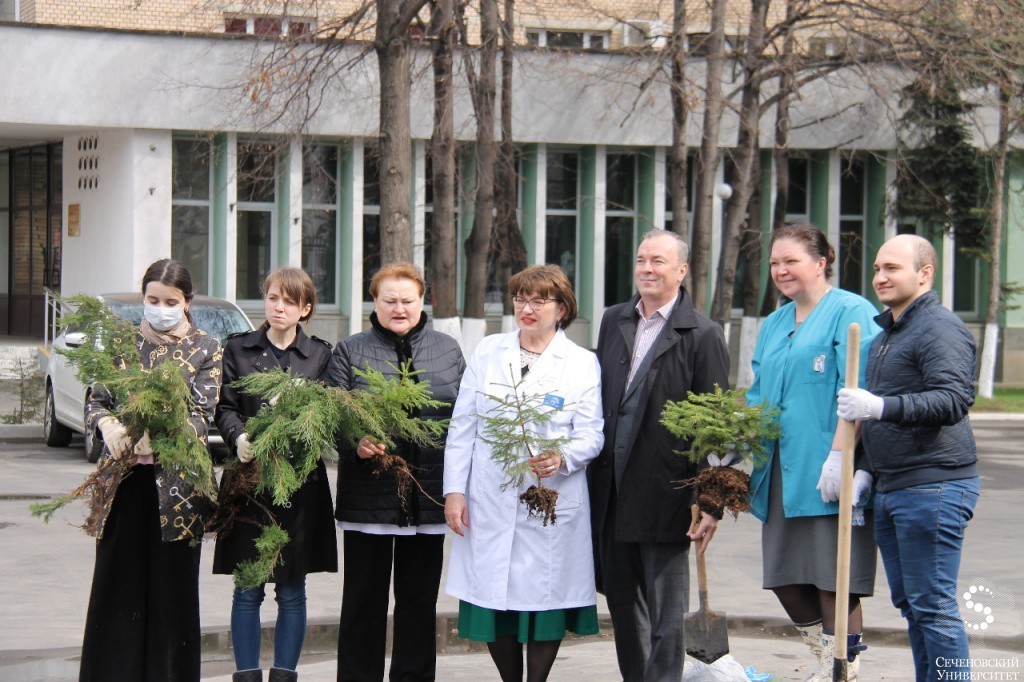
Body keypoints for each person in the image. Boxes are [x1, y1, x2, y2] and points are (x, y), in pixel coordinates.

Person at [444, 265, 604, 682]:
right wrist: (454, 492)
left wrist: (563, 456)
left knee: (545, 599)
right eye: (520, 299)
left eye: (539, 300)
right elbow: (464, 425)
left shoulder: (582, 363)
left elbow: (592, 434)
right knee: (492, 597)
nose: (527, 308)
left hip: (548, 498)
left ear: (562, 307)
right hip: (490, 497)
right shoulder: (488, 351)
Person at [838, 234, 980, 682]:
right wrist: (864, 468)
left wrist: (880, 407)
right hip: (894, 485)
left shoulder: (938, 327)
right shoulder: (888, 333)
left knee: (932, 606)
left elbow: (953, 399)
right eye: (877, 268)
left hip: (933, 485)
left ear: (924, 273)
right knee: (914, 606)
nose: (880, 277)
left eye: (892, 269)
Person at [590, 230, 730, 682]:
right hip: (611, 489)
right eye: (641, 259)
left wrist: (711, 503)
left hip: (668, 491)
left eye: (659, 262)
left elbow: (714, 429)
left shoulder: (702, 334)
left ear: (682, 270)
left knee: (667, 613)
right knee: (622, 604)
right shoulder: (615, 319)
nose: (647, 269)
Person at [746, 223, 881, 680]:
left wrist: (840, 456)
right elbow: (758, 391)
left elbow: (859, 390)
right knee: (784, 576)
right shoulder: (775, 321)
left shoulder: (851, 311)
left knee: (834, 580)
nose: (781, 271)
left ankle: (844, 670)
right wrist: (732, 443)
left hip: (829, 467)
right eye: (774, 263)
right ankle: (827, 659)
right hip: (780, 468)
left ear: (821, 263)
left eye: (791, 261)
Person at [79, 258, 222, 682]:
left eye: (170, 301)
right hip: (124, 486)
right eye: (152, 299)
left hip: (177, 492)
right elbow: (97, 397)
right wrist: (108, 425)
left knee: (171, 591)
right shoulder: (122, 342)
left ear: (186, 301)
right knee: (116, 585)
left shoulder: (206, 346)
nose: (160, 307)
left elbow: (202, 411)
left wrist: (162, 438)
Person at [326, 262, 465, 682]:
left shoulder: (447, 350)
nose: (399, 308)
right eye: (390, 300)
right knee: (363, 604)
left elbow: (463, 418)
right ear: (375, 301)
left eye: (408, 300)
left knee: (419, 605)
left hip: (427, 498)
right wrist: (357, 443)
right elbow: (335, 415)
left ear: (423, 301)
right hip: (369, 501)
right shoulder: (350, 350)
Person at [212, 267, 338, 682]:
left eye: (289, 301)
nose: (278, 307)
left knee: (291, 588)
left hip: (300, 484)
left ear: (305, 309)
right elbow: (225, 406)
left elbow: (330, 412)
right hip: (250, 480)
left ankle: (284, 674)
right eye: (272, 298)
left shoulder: (319, 354)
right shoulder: (240, 349)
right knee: (248, 585)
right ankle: (246, 674)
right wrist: (238, 436)